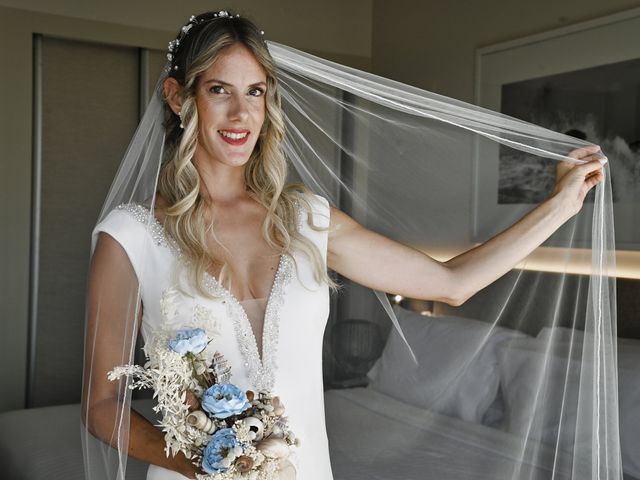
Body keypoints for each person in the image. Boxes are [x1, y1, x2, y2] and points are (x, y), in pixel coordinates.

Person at [81, 10, 607, 480]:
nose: (241, 114)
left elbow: (453, 284)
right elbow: (102, 404)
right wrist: (206, 462)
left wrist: (560, 204)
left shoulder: (306, 219)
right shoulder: (132, 236)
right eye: (220, 90)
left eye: (256, 91)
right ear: (179, 97)